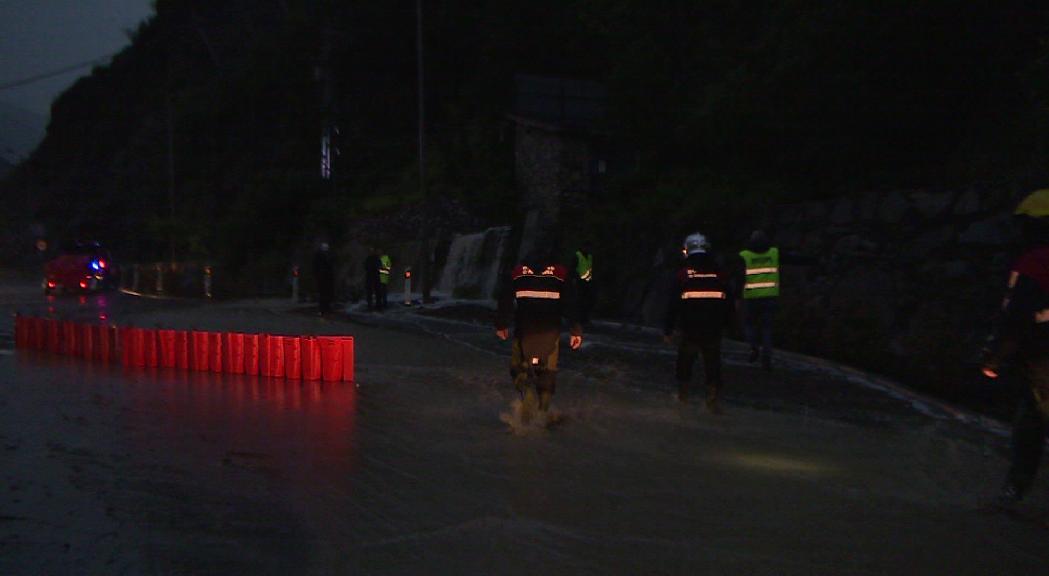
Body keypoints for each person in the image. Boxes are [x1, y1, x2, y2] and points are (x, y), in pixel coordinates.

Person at [982, 188, 1049, 506]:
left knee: (1031, 425)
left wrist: (995, 358)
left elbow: (1018, 315)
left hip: (1042, 361)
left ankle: (1014, 491)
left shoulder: (1035, 262)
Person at [495, 239, 583, 423]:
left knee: (516, 368)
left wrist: (501, 325)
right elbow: (570, 303)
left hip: (524, 330)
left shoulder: (518, 272)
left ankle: (525, 393)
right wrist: (576, 330)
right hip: (550, 331)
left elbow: (505, 299)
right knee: (548, 373)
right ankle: (542, 414)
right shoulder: (560, 273)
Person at [664, 232, 733, 414]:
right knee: (713, 364)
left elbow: (672, 303)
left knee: (685, 362)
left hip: (690, 326)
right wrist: (729, 325)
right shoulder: (720, 272)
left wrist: (668, 330)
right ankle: (712, 402)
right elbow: (730, 300)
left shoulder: (683, 274)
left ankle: (682, 399)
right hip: (713, 326)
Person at [737, 230, 780, 370]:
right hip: (770, 297)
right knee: (767, 329)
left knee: (749, 325)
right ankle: (767, 356)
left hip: (751, 298)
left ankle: (754, 347)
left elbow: (739, 278)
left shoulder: (744, 256)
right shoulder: (774, 253)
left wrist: (737, 297)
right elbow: (795, 259)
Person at [574, 247, 595, 325]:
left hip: (587, 282)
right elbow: (574, 268)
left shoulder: (590, 257)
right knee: (579, 301)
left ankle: (584, 318)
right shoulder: (578, 255)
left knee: (586, 301)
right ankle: (578, 319)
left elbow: (590, 268)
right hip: (579, 282)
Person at [313, 242, 334, 315]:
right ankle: (324, 309)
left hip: (324, 277)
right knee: (323, 294)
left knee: (324, 293)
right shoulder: (322, 256)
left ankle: (324, 308)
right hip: (323, 277)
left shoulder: (323, 256)